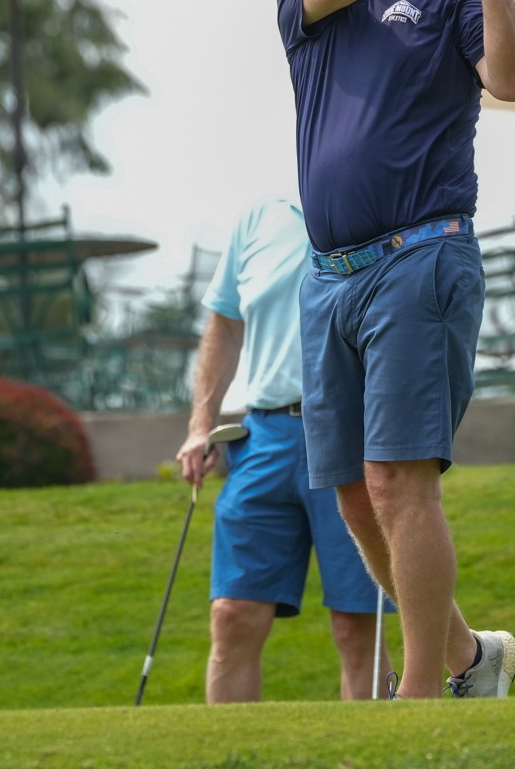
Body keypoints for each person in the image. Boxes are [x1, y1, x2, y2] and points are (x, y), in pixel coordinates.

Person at [274, 0, 515, 699]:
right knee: (352, 495)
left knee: (397, 482)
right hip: (330, 276)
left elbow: (510, 79)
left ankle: (423, 695)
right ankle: (469, 656)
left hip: (420, 257)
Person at [175, 197, 392, 702]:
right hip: (263, 437)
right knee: (232, 614)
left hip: (351, 434)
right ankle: (232, 759)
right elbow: (225, 324)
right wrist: (200, 424)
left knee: (357, 625)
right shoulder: (256, 220)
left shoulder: (382, 203)